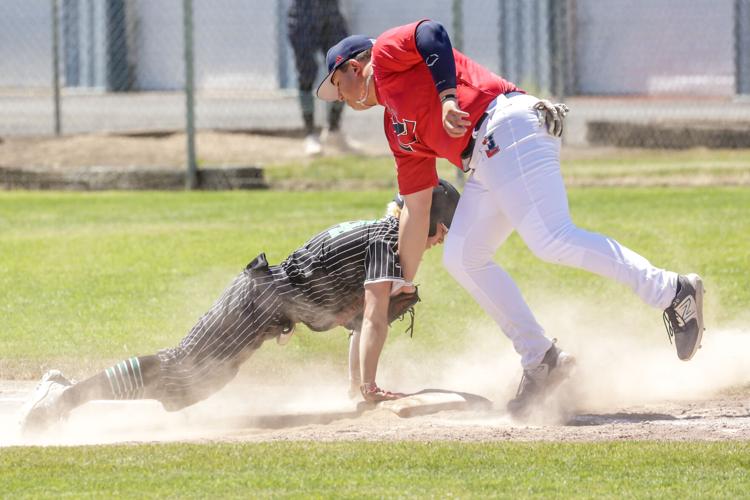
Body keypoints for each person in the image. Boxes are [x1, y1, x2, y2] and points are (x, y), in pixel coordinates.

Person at [315, 21, 705, 418]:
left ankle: (672, 291)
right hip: (485, 157)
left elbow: (431, 33)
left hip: (507, 125)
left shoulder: (383, 55)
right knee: (463, 256)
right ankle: (542, 359)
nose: (339, 98)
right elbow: (416, 212)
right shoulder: (395, 128)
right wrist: (400, 283)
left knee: (551, 238)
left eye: (337, 86)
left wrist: (448, 98)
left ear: (353, 67)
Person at [19, 180, 461, 434]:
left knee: (191, 386)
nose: (440, 239)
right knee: (179, 369)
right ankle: (63, 397)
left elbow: (354, 323)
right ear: (422, 219)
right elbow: (372, 319)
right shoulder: (386, 242)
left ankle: (67, 391)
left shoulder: (377, 235)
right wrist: (369, 388)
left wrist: (356, 386)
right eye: (440, 229)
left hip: (266, 305)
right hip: (260, 302)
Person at [287, 0, 360, 156]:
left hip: (331, 14)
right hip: (303, 14)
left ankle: (333, 130)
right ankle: (310, 135)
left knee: (343, 67)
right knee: (306, 73)